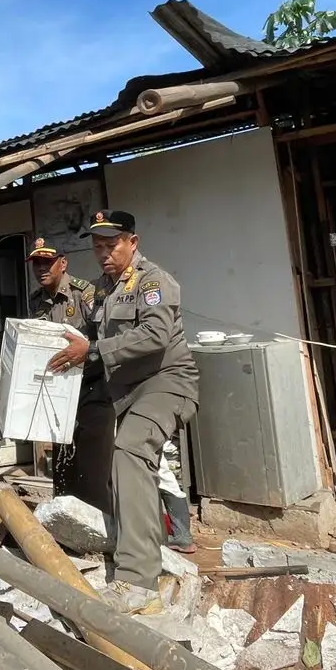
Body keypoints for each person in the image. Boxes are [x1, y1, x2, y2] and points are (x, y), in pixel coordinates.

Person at [48, 210, 198, 615]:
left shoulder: (152, 281)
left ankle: (137, 581)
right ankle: (142, 550)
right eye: (97, 247)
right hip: (123, 390)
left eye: (111, 245)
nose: (104, 253)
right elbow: (88, 337)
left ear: (133, 242)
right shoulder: (102, 288)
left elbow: (156, 335)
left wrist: (93, 351)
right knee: (113, 462)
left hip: (166, 381)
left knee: (130, 451)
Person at [23, 238, 106, 500]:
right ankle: (64, 507)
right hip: (59, 389)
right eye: (36, 263)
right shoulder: (36, 301)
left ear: (63, 263)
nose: (41, 268)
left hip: (91, 387)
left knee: (92, 458)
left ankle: (95, 511)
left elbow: (103, 339)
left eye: (47, 262)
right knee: (62, 456)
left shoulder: (85, 293)